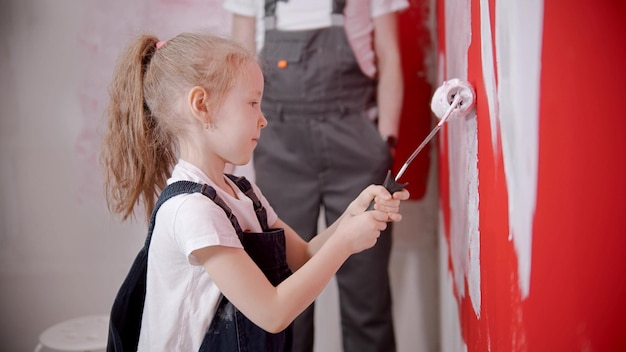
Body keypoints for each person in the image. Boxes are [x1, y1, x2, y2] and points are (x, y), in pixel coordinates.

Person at [100, 32, 409, 351]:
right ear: (201, 106)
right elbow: (272, 312)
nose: (263, 120)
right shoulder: (192, 211)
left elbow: (302, 257)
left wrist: (352, 216)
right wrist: (345, 242)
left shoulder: (242, 194)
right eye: (252, 103)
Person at [224, 1, 409, 351]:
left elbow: (390, 55)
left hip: (355, 143)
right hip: (280, 149)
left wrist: (385, 142)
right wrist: (222, 170)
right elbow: (236, 73)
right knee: (286, 288)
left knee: (367, 294)